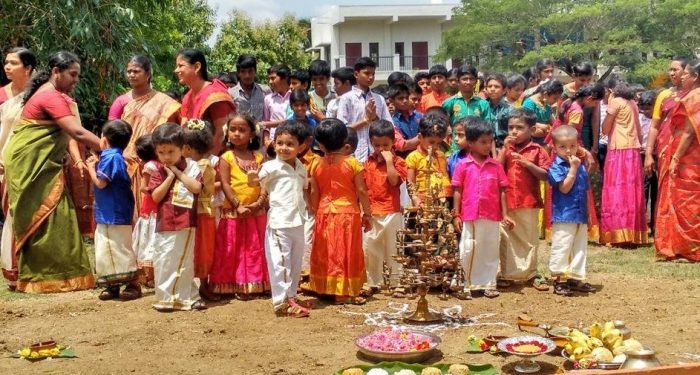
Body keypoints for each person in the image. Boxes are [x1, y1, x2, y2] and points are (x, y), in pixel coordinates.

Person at [4, 51, 99, 293]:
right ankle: (47, 276)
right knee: (49, 215)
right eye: (73, 74)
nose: (76, 80)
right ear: (56, 72)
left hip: (40, 163)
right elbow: (77, 133)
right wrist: (110, 147)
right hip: (30, 164)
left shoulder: (51, 94)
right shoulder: (51, 96)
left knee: (58, 215)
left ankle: (59, 275)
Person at [308, 118, 372, 304]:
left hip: (324, 211)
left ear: (319, 143)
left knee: (326, 250)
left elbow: (314, 191)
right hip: (347, 213)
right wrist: (367, 213)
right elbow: (361, 191)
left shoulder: (315, 164)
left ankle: (325, 287)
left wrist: (315, 211)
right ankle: (343, 293)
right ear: (345, 140)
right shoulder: (353, 164)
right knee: (346, 251)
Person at [250, 121, 310, 317]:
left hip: (298, 220)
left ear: (301, 147)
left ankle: (291, 296)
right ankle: (281, 301)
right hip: (279, 221)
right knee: (280, 261)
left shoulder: (301, 167)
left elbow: (304, 190)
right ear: (274, 143)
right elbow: (255, 183)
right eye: (280, 143)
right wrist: (251, 177)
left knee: (295, 260)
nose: (283, 148)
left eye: (289, 144)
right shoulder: (270, 167)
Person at [108, 55, 181, 214]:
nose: (131, 75)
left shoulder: (165, 102)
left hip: (153, 162)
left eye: (136, 71)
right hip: (125, 162)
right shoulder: (121, 101)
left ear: (148, 74)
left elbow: (173, 130)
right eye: (128, 71)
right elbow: (110, 133)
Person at [148, 123, 206, 311]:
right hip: (165, 221)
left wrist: (178, 172)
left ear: (182, 149)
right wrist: (169, 177)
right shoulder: (158, 170)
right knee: (165, 259)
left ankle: (188, 296)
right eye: (161, 152)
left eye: (171, 152)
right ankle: (166, 298)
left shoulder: (192, 167)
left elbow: (196, 188)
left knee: (184, 260)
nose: (166, 157)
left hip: (185, 221)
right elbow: (156, 196)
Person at [209, 114, 268, 297]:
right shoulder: (226, 157)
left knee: (254, 249)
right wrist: (237, 205)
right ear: (227, 133)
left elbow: (265, 183)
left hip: (256, 212)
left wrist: (259, 204)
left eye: (242, 130)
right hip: (234, 212)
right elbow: (225, 184)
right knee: (231, 249)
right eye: (233, 129)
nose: (237, 134)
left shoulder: (259, 157)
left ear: (252, 134)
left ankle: (254, 283)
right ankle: (232, 284)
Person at [452, 118, 512, 299]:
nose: (487, 146)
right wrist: (456, 214)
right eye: (483, 142)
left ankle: (488, 283)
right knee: (468, 248)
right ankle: (464, 285)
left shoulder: (496, 166)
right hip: (470, 214)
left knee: (490, 248)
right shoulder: (463, 165)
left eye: (490, 141)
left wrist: (505, 214)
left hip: (492, 215)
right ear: (470, 143)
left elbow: (502, 190)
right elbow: (457, 190)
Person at [85, 119, 141, 301]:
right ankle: (113, 284)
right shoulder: (113, 156)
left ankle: (133, 283)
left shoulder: (111, 157)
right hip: (109, 211)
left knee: (120, 247)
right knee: (107, 247)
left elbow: (101, 183)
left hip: (115, 211)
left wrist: (90, 168)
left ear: (105, 139)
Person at [496, 109, 550, 291]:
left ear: (532, 129)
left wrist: (528, 164)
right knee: (506, 237)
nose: (514, 132)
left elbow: (545, 175)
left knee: (529, 238)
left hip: (528, 200)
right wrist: (504, 148)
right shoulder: (504, 148)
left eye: (519, 128)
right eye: (511, 127)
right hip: (506, 200)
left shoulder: (537, 150)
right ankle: (505, 274)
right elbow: (495, 168)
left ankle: (531, 273)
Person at [655, 60, 700, 262]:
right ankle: (681, 247)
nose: (681, 76)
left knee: (687, 202)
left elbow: (689, 133)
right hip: (689, 157)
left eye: (686, 73)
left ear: (695, 77)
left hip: (688, 159)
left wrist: (675, 157)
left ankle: (690, 250)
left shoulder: (695, 98)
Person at [0, 47, 36, 289]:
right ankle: (14, 269)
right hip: (5, 163)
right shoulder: (2, 96)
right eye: (6, 62)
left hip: (33, 164)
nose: (7, 67)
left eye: (13, 63)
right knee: (11, 215)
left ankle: (31, 268)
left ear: (29, 68)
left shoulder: (38, 96)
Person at [547, 125, 595, 296]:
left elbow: (584, 191)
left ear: (577, 145)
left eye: (572, 146)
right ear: (554, 148)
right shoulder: (556, 166)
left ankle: (576, 277)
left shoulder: (580, 166)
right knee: (562, 246)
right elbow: (564, 188)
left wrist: (588, 214)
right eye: (562, 147)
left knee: (579, 246)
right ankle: (559, 278)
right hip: (564, 215)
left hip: (579, 213)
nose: (568, 150)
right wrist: (573, 169)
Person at [600, 83, 648, 246]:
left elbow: (605, 129)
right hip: (633, 149)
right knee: (632, 190)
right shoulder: (633, 103)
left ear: (612, 90)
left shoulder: (616, 102)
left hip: (618, 150)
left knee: (617, 190)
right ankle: (633, 233)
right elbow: (639, 130)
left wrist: (611, 100)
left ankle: (617, 233)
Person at [363, 120, 407, 292]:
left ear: (393, 143)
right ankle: (373, 281)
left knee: (394, 247)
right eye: (377, 145)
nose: (381, 149)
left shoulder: (398, 162)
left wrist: (389, 161)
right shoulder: (368, 162)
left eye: (385, 145)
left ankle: (397, 282)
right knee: (370, 246)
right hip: (373, 210)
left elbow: (394, 180)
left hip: (392, 210)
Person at [181, 119, 219, 300]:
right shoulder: (201, 163)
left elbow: (199, 188)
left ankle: (202, 285)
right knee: (200, 248)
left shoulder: (200, 165)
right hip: (202, 210)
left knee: (201, 248)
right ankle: (200, 284)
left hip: (198, 210)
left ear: (187, 148)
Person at [176, 49, 236, 155]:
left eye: (181, 66)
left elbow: (222, 133)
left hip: (215, 158)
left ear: (197, 67)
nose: (176, 70)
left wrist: (206, 161)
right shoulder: (187, 97)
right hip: (193, 158)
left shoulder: (215, 95)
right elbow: (184, 129)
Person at [336, 57, 392, 162]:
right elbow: (342, 130)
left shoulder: (379, 99)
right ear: (356, 74)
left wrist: (375, 118)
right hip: (354, 155)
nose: (371, 77)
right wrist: (365, 120)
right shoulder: (347, 98)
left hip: (377, 155)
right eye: (367, 73)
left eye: (373, 74)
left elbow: (388, 126)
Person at [645, 57, 689, 176]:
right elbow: (654, 126)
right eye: (670, 70)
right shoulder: (664, 95)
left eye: (675, 70)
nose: (671, 73)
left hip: (689, 151)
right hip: (665, 149)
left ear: (686, 72)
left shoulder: (694, 95)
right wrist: (648, 154)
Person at [441, 64, 489, 152]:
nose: (468, 82)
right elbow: (444, 124)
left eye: (471, 79)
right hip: (456, 148)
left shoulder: (483, 103)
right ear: (458, 81)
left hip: (477, 149)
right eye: (464, 79)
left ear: (475, 81)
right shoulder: (449, 102)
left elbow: (487, 127)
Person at [406, 115, 452, 207]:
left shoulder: (441, 155)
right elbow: (410, 181)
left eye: (438, 143)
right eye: (431, 142)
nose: (435, 147)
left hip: (445, 199)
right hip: (423, 203)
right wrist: (415, 199)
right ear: (420, 137)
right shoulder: (413, 157)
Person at [131, 134, 158, 287]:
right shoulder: (150, 167)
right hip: (151, 209)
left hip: (155, 208)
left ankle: (151, 276)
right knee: (150, 241)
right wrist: (156, 190)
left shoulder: (157, 165)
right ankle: (151, 276)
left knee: (151, 241)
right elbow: (143, 187)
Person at [563, 61, 599, 152]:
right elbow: (560, 116)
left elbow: (595, 119)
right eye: (582, 80)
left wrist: (595, 146)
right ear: (574, 76)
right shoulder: (565, 91)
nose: (586, 84)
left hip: (587, 135)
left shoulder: (594, 92)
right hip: (567, 133)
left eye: (589, 80)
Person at [637, 90, 658, 235]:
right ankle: (643, 224)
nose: (645, 111)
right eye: (642, 107)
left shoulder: (659, 119)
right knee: (643, 190)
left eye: (648, 107)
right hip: (642, 156)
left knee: (656, 191)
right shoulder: (638, 118)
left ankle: (655, 224)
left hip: (656, 157)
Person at [229, 55, 270, 123]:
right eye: (243, 71)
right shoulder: (230, 93)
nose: (247, 75)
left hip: (261, 133)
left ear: (255, 72)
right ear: (238, 73)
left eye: (250, 71)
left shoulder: (265, 91)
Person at [522, 79, 563, 145]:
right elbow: (525, 121)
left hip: (545, 140)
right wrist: (539, 125)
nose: (557, 101)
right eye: (555, 98)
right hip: (531, 141)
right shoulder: (529, 104)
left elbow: (553, 122)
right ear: (545, 94)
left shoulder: (546, 104)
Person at [261, 63, 292, 146]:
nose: (270, 82)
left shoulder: (295, 97)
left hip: (291, 142)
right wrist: (266, 141)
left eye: (273, 78)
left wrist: (264, 124)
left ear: (285, 78)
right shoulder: (268, 99)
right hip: (273, 143)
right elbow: (266, 122)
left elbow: (292, 120)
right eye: (269, 79)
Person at [389, 83, 421, 158]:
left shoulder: (419, 116)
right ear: (391, 101)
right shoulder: (391, 122)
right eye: (400, 98)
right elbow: (402, 146)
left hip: (421, 159)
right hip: (403, 161)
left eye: (407, 97)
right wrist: (424, 135)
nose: (405, 101)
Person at [484, 73, 511, 149]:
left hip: (505, 147)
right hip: (486, 147)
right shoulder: (482, 107)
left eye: (496, 87)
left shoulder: (510, 109)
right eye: (489, 86)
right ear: (486, 89)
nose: (492, 89)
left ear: (504, 90)